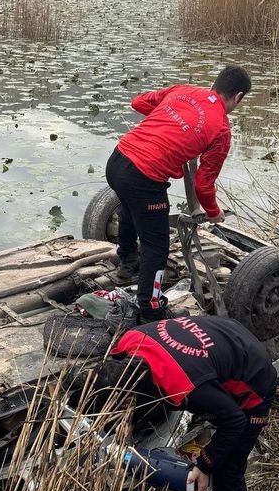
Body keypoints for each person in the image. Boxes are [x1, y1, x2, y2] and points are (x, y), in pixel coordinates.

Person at [105, 66, 251, 321]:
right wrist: (214, 213)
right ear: (238, 97)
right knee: (156, 248)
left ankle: (127, 264)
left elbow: (138, 102)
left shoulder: (183, 91)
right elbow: (203, 185)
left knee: (129, 211)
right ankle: (151, 310)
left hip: (117, 161)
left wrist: (171, 122)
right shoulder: (221, 129)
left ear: (215, 83)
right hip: (143, 178)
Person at [92, 315, 276, 491]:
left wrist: (205, 465)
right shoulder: (129, 339)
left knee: (229, 468)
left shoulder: (184, 386)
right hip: (221, 332)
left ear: (130, 395)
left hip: (255, 375)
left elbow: (235, 420)